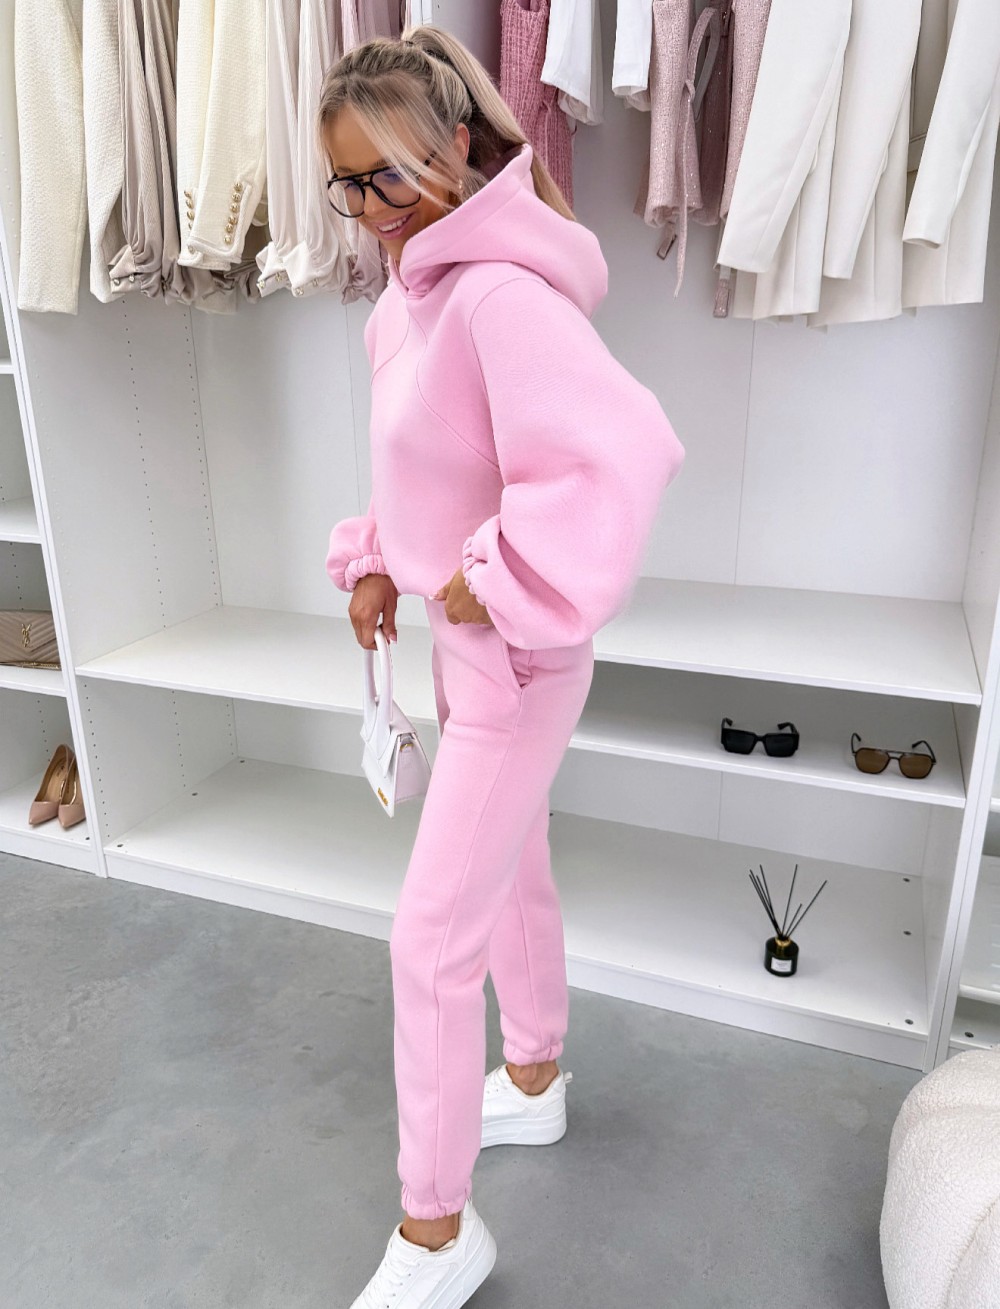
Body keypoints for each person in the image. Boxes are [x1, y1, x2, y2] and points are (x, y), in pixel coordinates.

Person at [321, 23, 685, 1308]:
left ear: (461, 143)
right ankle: (533, 1074)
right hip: (459, 647)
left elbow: (621, 449)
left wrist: (499, 573)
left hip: (517, 656)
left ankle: (436, 1232)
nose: (372, 208)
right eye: (347, 184)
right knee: (512, 866)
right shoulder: (407, 301)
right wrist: (383, 560)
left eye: (389, 173)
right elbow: (424, 460)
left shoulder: (496, 295)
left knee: (429, 942)